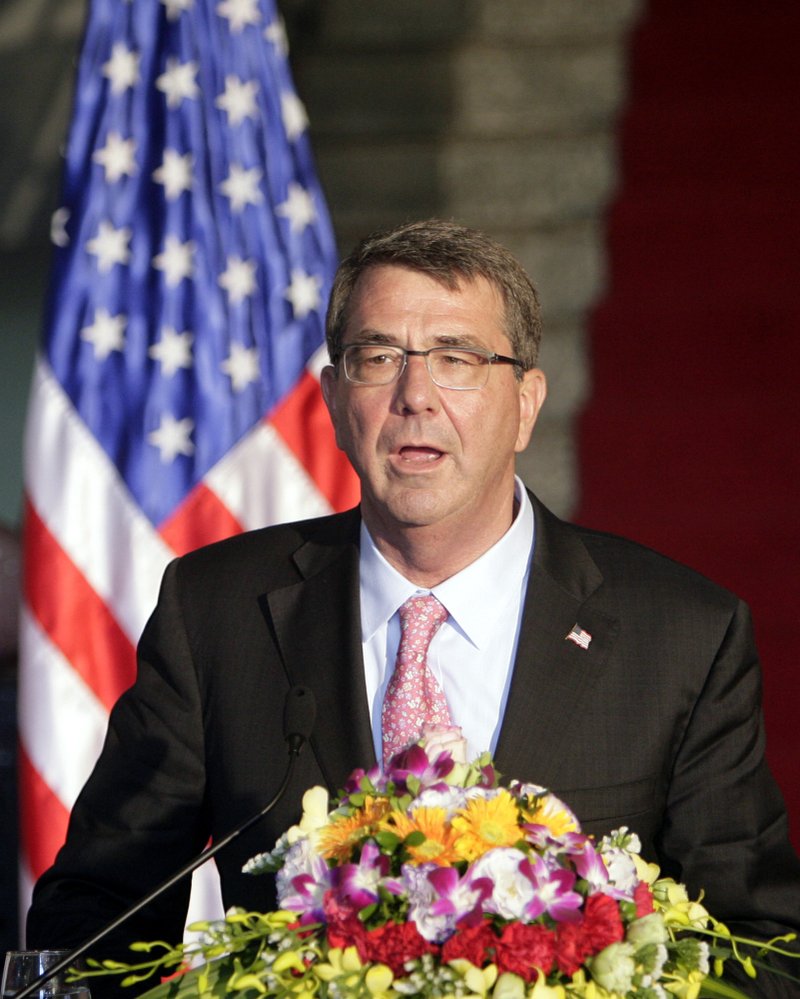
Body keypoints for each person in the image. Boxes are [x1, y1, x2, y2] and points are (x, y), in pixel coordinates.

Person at [27, 220, 800, 995]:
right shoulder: (218, 610)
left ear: (526, 403)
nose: (416, 396)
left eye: (457, 360)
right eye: (378, 358)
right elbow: (95, 915)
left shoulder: (682, 637)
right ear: (333, 401)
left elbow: (759, 948)